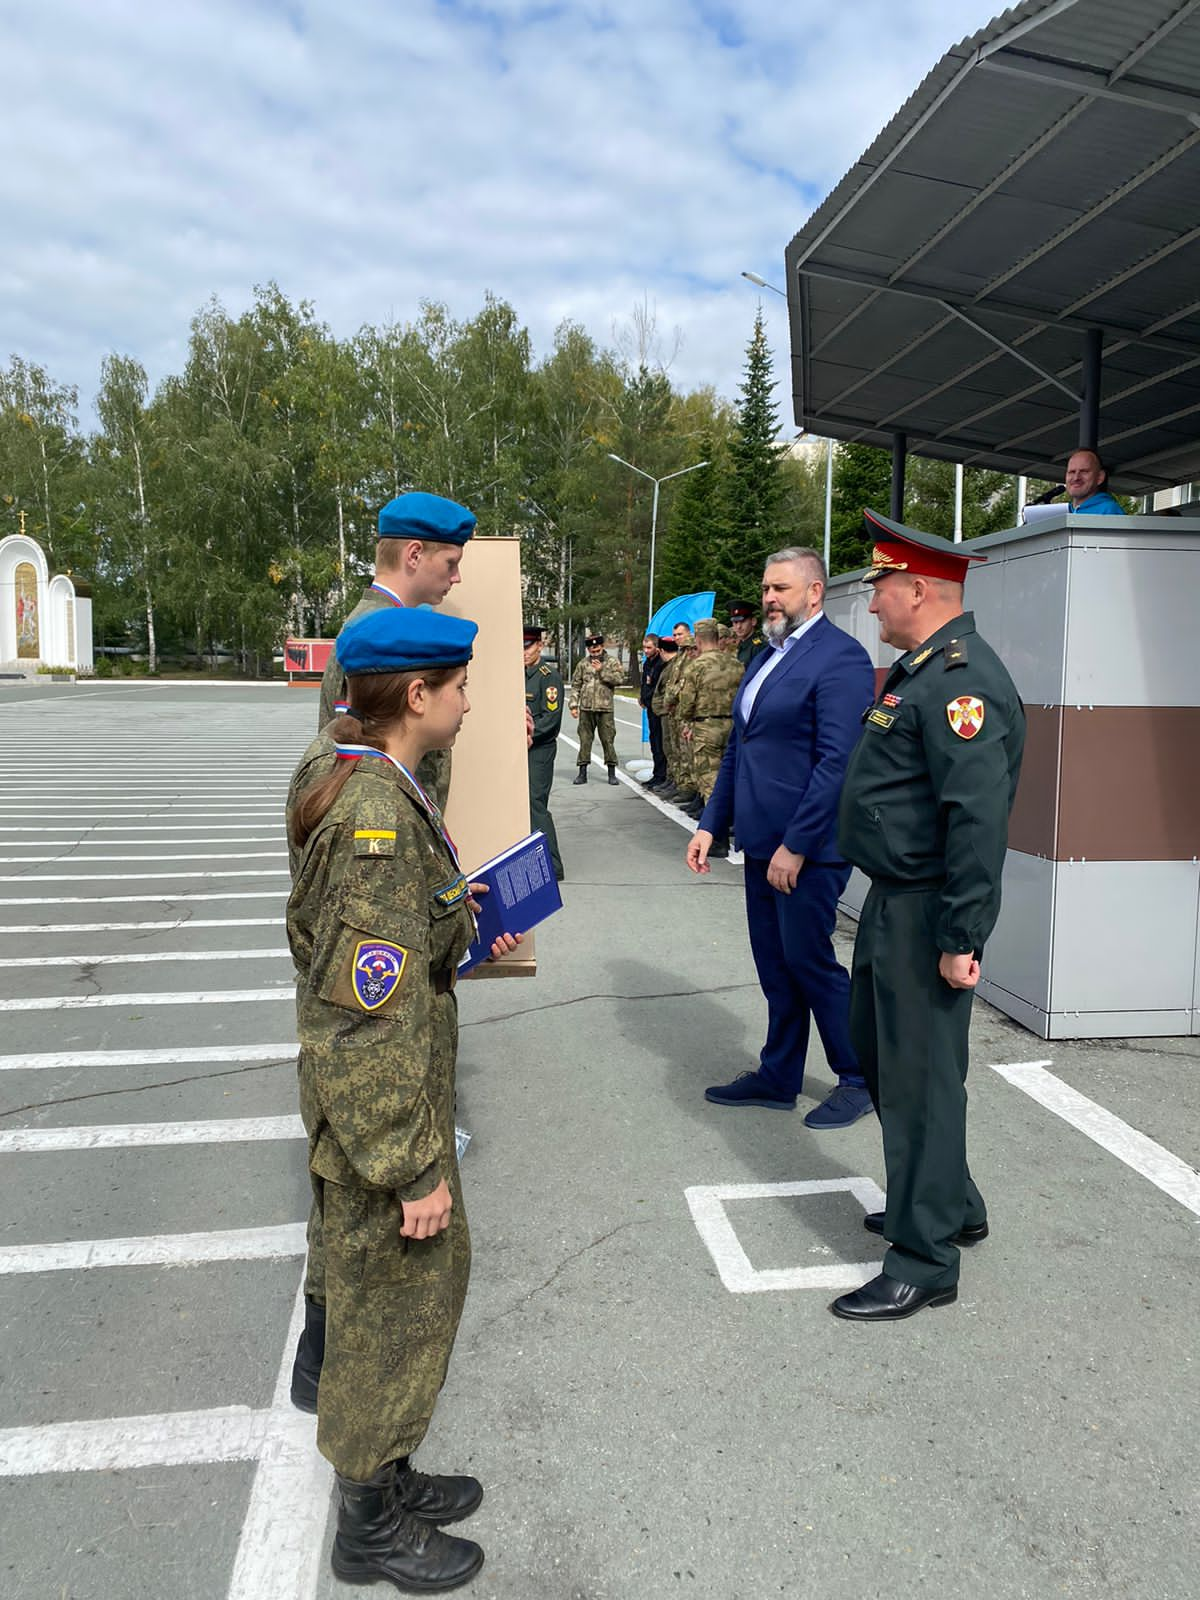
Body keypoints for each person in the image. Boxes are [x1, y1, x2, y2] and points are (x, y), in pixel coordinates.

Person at [287, 605, 519, 1590]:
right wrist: (413, 1164)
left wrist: (457, 920)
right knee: (393, 1310)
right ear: (414, 696)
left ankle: (388, 1473)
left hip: (379, 1110)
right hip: (387, 1124)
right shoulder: (374, 817)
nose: (470, 703)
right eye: (459, 686)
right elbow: (364, 1018)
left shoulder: (362, 774)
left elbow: (381, 949)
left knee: (395, 1307)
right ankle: (368, 1522)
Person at [831, 509, 1025, 1323]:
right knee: (889, 1062)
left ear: (918, 588)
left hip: (926, 913)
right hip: (893, 902)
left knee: (918, 1083)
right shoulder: (922, 672)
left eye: (881, 588)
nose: (872, 603)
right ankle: (952, 1203)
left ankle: (924, 1256)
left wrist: (962, 937)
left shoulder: (961, 682)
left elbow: (976, 823)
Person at [687, 548, 876, 1130]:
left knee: (810, 960)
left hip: (809, 848)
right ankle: (779, 1075)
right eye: (766, 588)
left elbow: (837, 762)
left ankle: (859, 1077)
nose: (769, 598)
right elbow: (741, 749)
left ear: (814, 593)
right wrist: (710, 823)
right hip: (762, 843)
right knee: (775, 963)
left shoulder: (840, 659)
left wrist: (796, 843)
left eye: (781, 589)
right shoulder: (767, 655)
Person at [674, 617, 744, 822]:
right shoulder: (736, 664)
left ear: (698, 639)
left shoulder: (696, 666)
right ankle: (733, 821)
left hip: (706, 728)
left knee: (709, 781)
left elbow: (686, 704)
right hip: (732, 726)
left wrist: (686, 721)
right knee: (731, 775)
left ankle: (717, 833)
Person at [524, 624, 564, 880]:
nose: (522, 652)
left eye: (527, 646)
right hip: (519, 746)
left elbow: (551, 718)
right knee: (521, 804)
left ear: (539, 645)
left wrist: (529, 734)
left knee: (536, 803)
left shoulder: (548, 676)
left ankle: (552, 866)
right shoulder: (516, 673)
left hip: (539, 747)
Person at [568, 633, 625, 784]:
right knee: (585, 740)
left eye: (597, 650)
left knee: (608, 740)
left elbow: (619, 680)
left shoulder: (612, 662)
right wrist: (573, 705)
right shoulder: (583, 664)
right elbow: (576, 685)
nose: (594, 654)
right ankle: (582, 772)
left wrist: (601, 670)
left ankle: (612, 773)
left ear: (602, 647)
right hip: (586, 709)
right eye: (592, 651)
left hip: (605, 708)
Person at [638, 633, 668, 787]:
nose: (646, 650)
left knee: (661, 742)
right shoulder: (647, 663)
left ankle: (663, 775)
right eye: (644, 647)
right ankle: (657, 774)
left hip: (660, 708)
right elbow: (645, 683)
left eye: (649, 647)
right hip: (650, 707)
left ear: (657, 647)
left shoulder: (661, 663)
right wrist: (642, 697)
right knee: (654, 741)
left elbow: (658, 687)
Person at [1065, 448, 1125, 515]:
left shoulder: (1110, 510)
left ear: (1100, 477)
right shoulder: (1063, 512)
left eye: (1084, 471)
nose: (1076, 478)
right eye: (1072, 472)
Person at [729, 600, 764, 667]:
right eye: (735, 622)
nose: (738, 626)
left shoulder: (758, 648)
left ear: (753, 621)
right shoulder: (738, 646)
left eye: (742, 621)